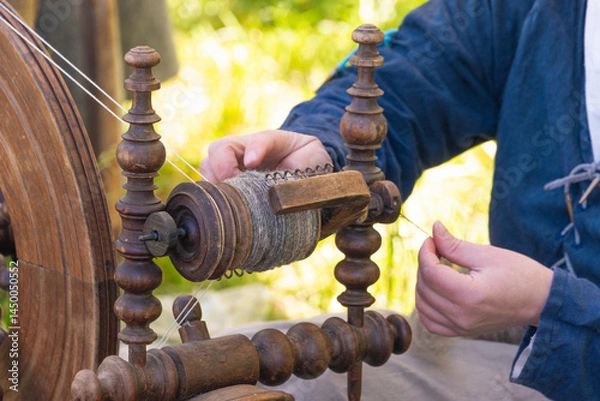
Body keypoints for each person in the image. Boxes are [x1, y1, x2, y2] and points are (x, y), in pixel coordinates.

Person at [201, 0, 600, 399]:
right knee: (217, 373)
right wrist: (327, 154)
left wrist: (560, 312)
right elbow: (420, 74)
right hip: (513, 332)